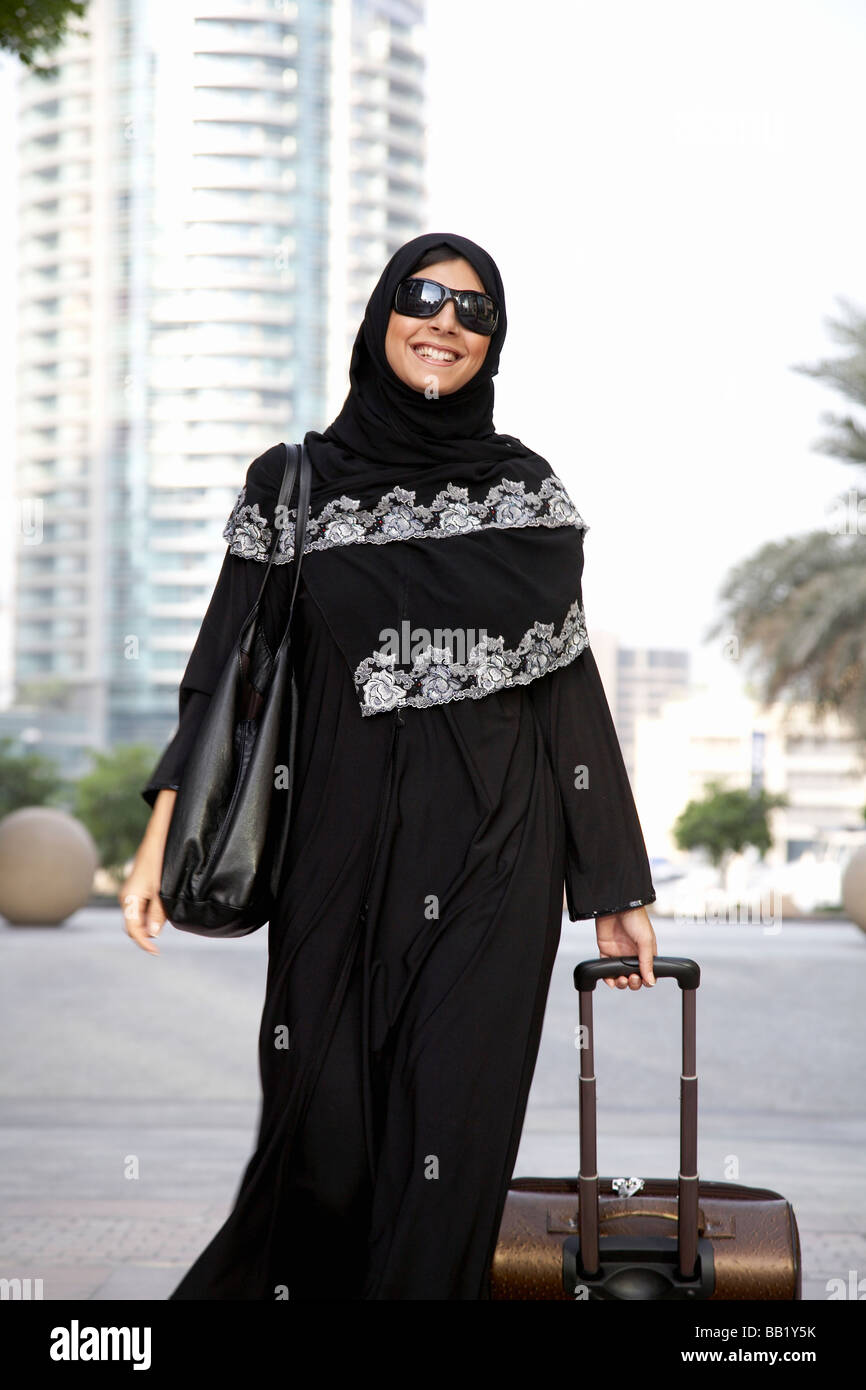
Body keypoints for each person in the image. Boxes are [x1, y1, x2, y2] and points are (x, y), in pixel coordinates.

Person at [120, 231, 658, 1301]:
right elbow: (219, 677)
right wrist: (157, 843)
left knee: (445, 1162)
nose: (443, 324)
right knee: (317, 1155)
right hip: (335, 863)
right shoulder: (294, 484)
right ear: (378, 316)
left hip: (496, 872)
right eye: (421, 298)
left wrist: (614, 887)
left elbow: (568, 700)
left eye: (472, 312)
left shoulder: (524, 497)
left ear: (492, 345)